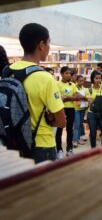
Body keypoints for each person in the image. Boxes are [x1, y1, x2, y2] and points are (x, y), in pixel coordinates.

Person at [5, 23, 65, 163]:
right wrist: (50, 118)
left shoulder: (7, 71)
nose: (49, 48)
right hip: (41, 146)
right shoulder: (45, 78)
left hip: (13, 142)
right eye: (49, 43)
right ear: (41, 45)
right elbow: (61, 121)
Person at [56, 66, 82, 158]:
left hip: (71, 109)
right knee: (59, 130)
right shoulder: (57, 84)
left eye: (70, 73)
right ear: (62, 74)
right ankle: (59, 149)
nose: (69, 75)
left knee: (69, 129)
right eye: (66, 73)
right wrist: (71, 98)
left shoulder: (73, 85)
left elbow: (78, 97)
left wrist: (67, 98)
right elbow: (58, 98)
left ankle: (69, 149)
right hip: (60, 108)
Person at [87, 70, 102, 148]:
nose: (98, 80)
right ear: (92, 79)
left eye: (100, 78)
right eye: (96, 78)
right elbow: (91, 103)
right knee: (93, 133)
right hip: (92, 114)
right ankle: (93, 148)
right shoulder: (89, 90)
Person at [73, 75, 88, 147]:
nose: (82, 82)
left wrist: (85, 98)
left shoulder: (85, 89)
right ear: (76, 81)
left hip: (83, 108)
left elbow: (88, 98)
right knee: (76, 125)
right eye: (80, 81)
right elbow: (77, 96)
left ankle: (78, 139)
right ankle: (75, 140)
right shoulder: (74, 88)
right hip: (76, 109)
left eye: (83, 81)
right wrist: (85, 98)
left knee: (79, 125)